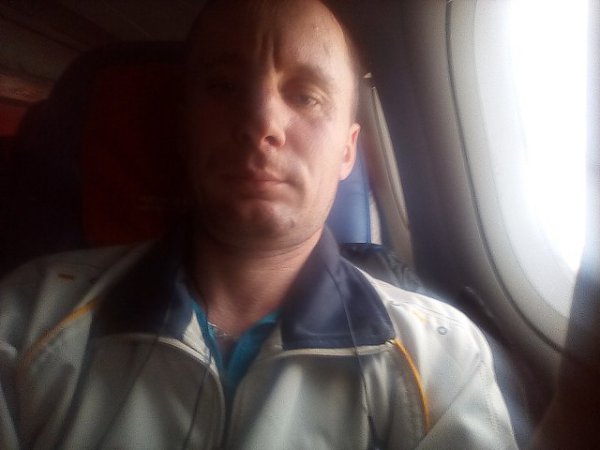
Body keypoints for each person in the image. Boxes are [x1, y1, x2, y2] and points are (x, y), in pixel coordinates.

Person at [0, 0, 518, 448]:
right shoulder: (25, 320)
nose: (262, 122)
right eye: (224, 87)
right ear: (184, 129)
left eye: (307, 96)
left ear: (347, 151)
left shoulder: (441, 359)